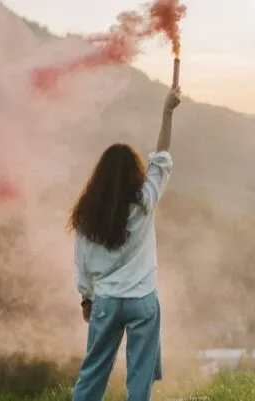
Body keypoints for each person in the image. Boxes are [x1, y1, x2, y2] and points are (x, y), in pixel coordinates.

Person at [69, 87, 182, 401]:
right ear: (135, 174)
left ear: (100, 177)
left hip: (106, 301)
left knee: (93, 373)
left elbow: (82, 265)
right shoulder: (144, 203)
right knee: (139, 377)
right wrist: (167, 112)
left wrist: (86, 299)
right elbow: (161, 159)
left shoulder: (87, 215)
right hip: (142, 300)